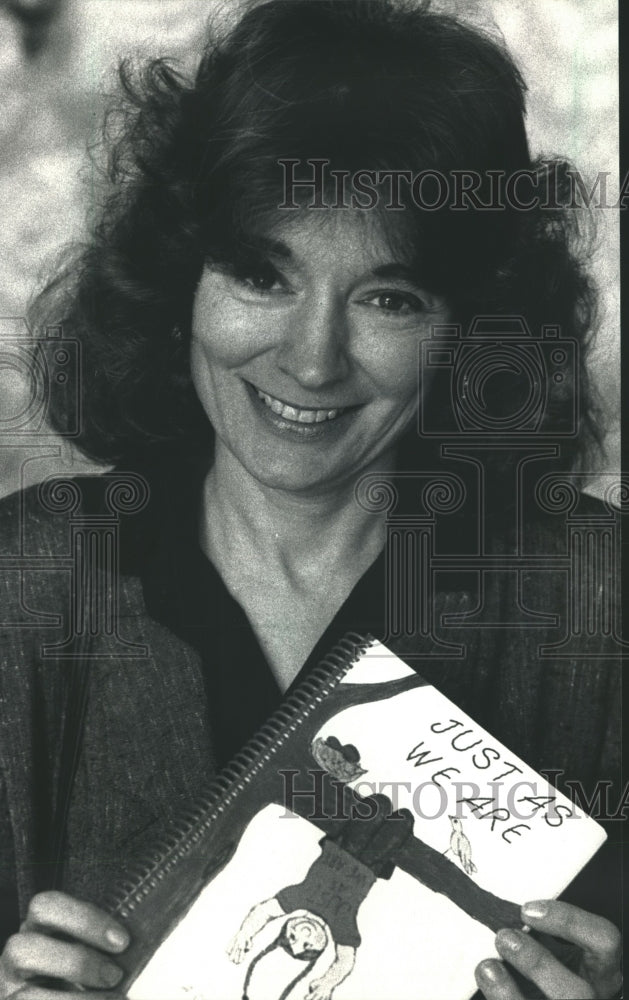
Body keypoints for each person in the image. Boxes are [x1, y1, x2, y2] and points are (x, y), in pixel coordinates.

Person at [0, 1, 622, 998]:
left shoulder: (598, 602)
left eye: (389, 297)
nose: (311, 357)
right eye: (260, 272)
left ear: (471, 327)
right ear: (178, 282)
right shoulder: (24, 584)